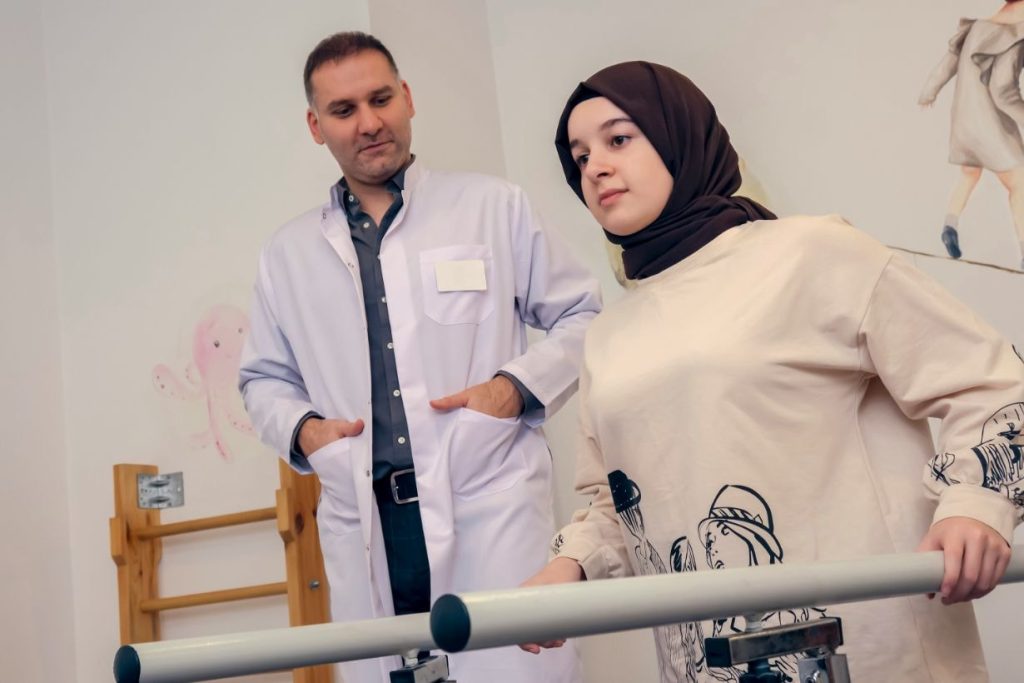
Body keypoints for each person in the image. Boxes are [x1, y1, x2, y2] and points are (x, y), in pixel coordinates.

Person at [524, 61, 1023, 682]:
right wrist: (566, 567)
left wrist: (975, 504)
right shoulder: (608, 337)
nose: (593, 167)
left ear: (680, 135)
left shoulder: (810, 252)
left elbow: (990, 379)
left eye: (619, 139)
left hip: (869, 647)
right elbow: (617, 501)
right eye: (578, 157)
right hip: (713, 665)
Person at [239, 31, 597, 682]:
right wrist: (309, 433)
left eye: (381, 99)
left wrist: (513, 387)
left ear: (407, 98)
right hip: (366, 515)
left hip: (485, 499)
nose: (370, 123)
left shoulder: (493, 207)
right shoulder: (286, 254)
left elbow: (583, 315)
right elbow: (263, 377)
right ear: (316, 127)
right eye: (344, 111)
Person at [919, 0, 1024, 270]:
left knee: (969, 174)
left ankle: (950, 225)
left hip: (965, 119)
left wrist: (929, 91)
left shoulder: (977, 27)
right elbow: (1003, 90)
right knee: (1019, 183)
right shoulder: (1016, 33)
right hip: (991, 123)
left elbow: (949, 62)